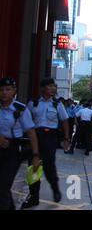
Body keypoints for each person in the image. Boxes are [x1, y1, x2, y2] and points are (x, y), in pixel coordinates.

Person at [21, 78, 70, 209]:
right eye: (50, 86)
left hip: (50, 137)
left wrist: (66, 139)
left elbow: (65, 121)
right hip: (35, 136)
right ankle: (34, 197)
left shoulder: (57, 104)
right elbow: (25, 120)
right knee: (33, 167)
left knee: (49, 166)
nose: (53, 88)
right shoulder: (33, 103)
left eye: (54, 86)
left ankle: (55, 189)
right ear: (42, 88)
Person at [0, 78, 40, 210]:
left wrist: (35, 155)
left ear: (14, 91)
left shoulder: (20, 109)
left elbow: (31, 132)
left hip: (12, 151)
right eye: (1, 90)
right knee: (3, 188)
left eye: (8, 89)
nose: (4, 93)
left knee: (3, 186)